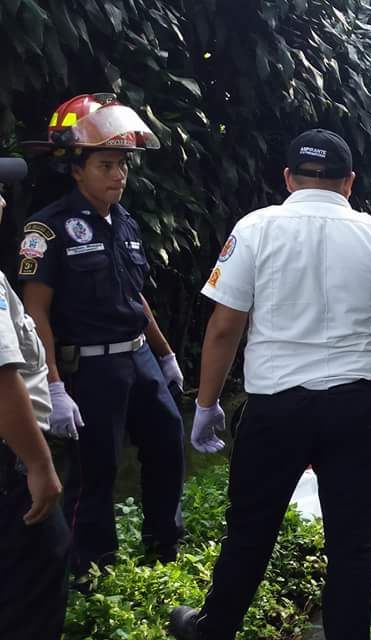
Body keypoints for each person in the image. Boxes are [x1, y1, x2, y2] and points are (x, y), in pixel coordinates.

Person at [169, 129, 371, 640]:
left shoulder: (255, 229)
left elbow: (224, 328)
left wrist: (206, 404)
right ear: (349, 182)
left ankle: (213, 630)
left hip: (276, 410)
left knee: (250, 530)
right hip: (356, 410)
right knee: (352, 544)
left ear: (288, 178)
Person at [18, 94, 186, 573]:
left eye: (123, 165)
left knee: (167, 442)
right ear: (77, 170)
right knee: (97, 467)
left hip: (138, 356)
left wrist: (165, 354)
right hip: (89, 367)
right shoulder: (47, 229)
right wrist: (53, 384)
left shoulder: (125, 222)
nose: (119, 175)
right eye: (106, 165)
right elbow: (35, 312)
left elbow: (135, 296)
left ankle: (164, 546)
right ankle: (91, 567)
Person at [0, 156, 69, 640]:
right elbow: (3, 378)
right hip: (9, 465)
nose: (4, 201)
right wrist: (39, 465)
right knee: (33, 584)